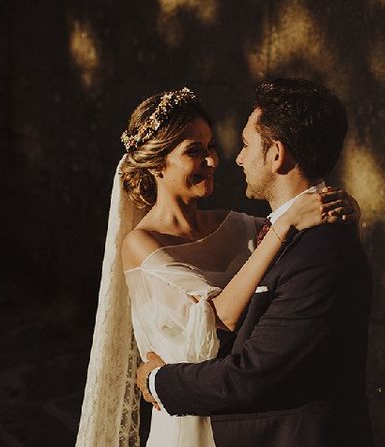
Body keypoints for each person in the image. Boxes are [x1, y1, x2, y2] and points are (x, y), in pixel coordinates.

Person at [76, 85, 359, 447]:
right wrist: (285, 227)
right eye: (195, 151)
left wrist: (345, 212)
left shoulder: (237, 225)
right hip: (185, 423)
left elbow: (305, 240)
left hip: (238, 419)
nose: (213, 160)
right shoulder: (141, 244)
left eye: (211, 146)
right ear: (157, 164)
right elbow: (217, 318)